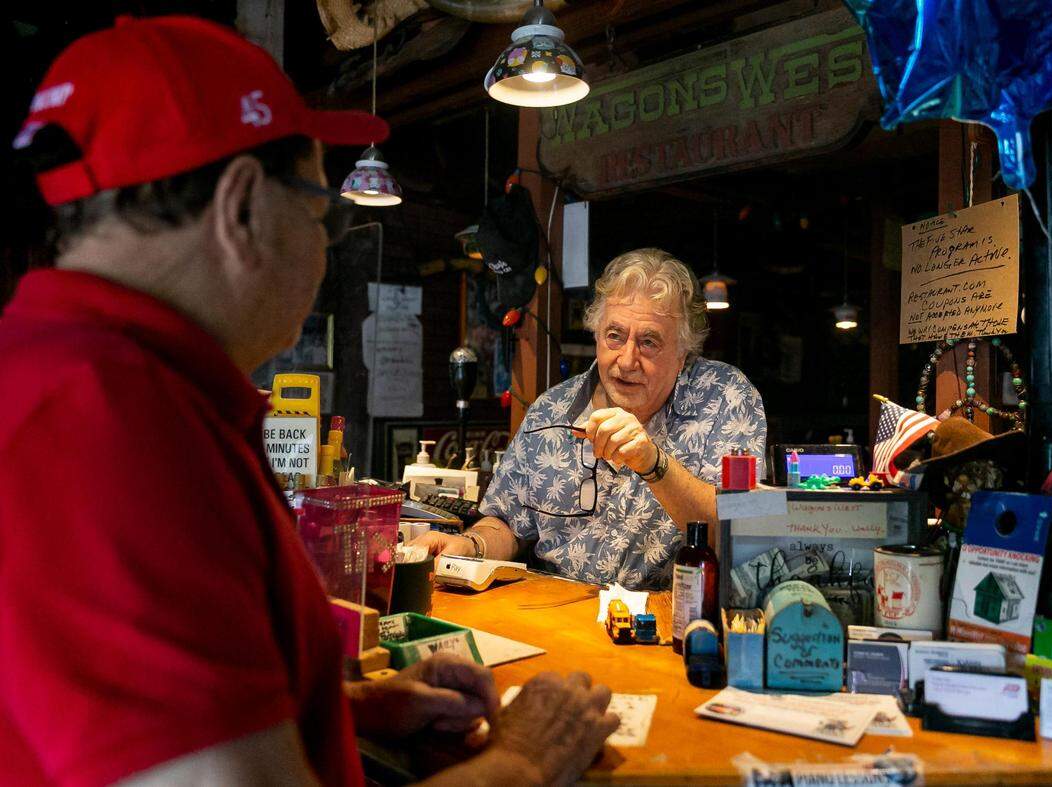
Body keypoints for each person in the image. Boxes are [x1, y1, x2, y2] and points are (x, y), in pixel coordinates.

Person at [0, 16, 616, 786]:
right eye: (324, 212)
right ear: (244, 208)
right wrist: (525, 759)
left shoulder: (72, 377)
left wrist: (341, 707)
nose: (329, 245)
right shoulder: (115, 434)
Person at [415, 248, 766, 589]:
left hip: (667, 621)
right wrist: (470, 547)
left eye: (649, 342)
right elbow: (507, 523)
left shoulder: (725, 398)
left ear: (683, 351)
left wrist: (654, 465)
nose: (627, 360)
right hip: (557, 620)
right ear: (596, 333)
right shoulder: (550, 412)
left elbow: (744, 531)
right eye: (615, 336)